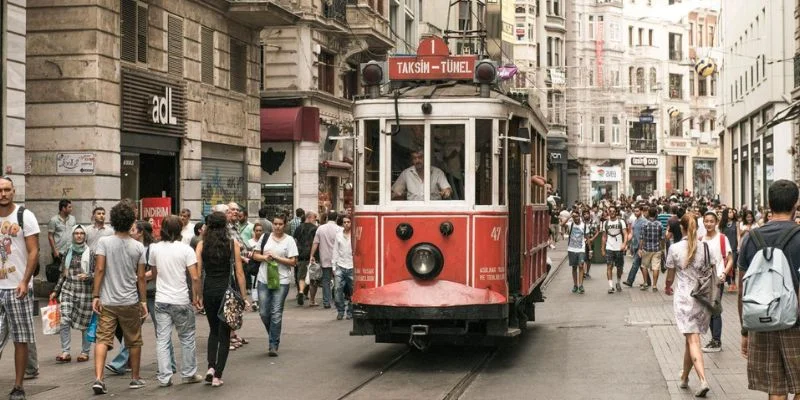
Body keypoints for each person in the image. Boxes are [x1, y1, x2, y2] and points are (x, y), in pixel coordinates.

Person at [738, 180, 800, 400]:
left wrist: (745, 330)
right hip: (797, 322)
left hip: (762, 320)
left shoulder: (750, 238)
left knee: (776, 389)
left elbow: (743, 288)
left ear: (769, 204)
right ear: (796, 203)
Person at [91, 201, 148, 395]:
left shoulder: (104, 242)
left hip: (108, 300)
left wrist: (96, 295)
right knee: (134, 340)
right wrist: (143, 301)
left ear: (113, 221)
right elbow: (141, 277)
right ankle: (135, 378)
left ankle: (99, 378)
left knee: (102, 339)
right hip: (130, 301)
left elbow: (99, 269)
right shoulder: (139, 247)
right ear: (131, 221)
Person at [666, 214, 717, 397]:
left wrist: (667, 285)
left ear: (682, 228)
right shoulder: (706, 247)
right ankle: (685, 377)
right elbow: (713, 270)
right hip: (702, 299)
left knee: (693, 339)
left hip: (684, 298)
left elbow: (670, 275)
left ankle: (703, 380)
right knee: (691, 338)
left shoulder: (675, 248)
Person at [195, 212, 249, 387]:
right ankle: (218, 375)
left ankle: (210, 367)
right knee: (224, 333)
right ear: (225, 226)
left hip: (209, 290)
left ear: (208, 226)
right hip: (227, 292)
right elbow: (239, 272)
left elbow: (198, 273)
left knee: (213, 330)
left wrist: (198, 295)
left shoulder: (201, 245)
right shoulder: (233, 244)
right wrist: (244, 296)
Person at [149, 215, 203, 387]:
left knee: (163, 339)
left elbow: (155, 273)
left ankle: (164, 377)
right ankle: (188, 373)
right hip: (180, 299)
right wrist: (196, 297)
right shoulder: (186, 250)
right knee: (187, 337)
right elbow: (194, 277)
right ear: (179, 230)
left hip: (161, 300)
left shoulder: (154, 248)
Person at [0, 176, 40, 400]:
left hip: (17, 287)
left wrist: (25, 281)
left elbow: (34, 251)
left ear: (13, 191)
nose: (3, 194)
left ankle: (18, 386)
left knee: (20, 339)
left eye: (7, 190)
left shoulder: (25, 216)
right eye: (0, 190)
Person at [253, 215, 298, 355]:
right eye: (275, 224)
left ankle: (273, 344)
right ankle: (273, 334)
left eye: (280, 224)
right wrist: (265, 257)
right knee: (264, 312)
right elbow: (255, 255)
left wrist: (277, 258)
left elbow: (293, 262)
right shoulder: (265, 237)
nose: (277, 226)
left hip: (282, 281)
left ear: (284, 225)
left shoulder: (289, 240)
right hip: (264, 279)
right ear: (272, 224)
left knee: (276, 312)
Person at [51, 225, 94, 364]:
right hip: (68, 289)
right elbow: (62, 274)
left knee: (85, 324)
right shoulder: (67, 252)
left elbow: (98, 273)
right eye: (76, 233)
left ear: (85, 236)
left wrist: (88, 276)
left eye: (82, 233)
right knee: (64, 320)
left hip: (85, 291)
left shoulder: (91, 253)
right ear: (73, 235)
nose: (79, 236)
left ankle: (84, 352)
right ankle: (65, 352)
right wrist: (55, 291)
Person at [700, 211, 732, 353]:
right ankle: (714, 339)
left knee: (715, 310)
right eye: (706, 221)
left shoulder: (722, 238)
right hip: (704, 280)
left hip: (718, 278)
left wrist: (725, 273)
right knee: (709, 309)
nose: (708, 224)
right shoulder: (701, 240)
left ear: (716, 222)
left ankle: (716, 341)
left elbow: (730, 259)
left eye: (711, 221)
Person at [310, 211, 342, 309]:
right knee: (338, 280)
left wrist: (311, 255)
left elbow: (315, 243)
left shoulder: (320, 228)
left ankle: (326, 302)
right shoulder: (340, 229)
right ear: (337, 218)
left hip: (325, 258)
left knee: (326, 281)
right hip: (338, 259)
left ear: (327, 217)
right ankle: (337, 300)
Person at [294, 212, 319, 306]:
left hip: (300, 254)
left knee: (301, 275)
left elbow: (295, 240)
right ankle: (308, 295)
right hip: (311, 254)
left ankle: (301, 291)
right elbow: (316, 243)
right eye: (314, 217)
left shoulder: (299, 228)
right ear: (309, 217)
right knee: (311, 276)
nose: (315, 219)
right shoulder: (315, 229)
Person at [601, 206, 627, 294]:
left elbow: (625, 233)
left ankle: (618, 282)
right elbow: (604, 236)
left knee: (619, 267)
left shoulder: (621, 222)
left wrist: (624, 244)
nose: (612, 212)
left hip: (619, 247)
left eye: (613, 211)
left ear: (616, 212)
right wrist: (603, 248)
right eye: (610, 211)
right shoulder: (605, 223)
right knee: (609, 266)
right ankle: (611, 286)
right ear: (608, 212)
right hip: (609, 247)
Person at [332, 214, 354, 318]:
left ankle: (350, 311)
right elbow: (335, 250)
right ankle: (340, 310)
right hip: (340, 265)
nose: (346, 224)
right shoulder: (338, 235)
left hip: (352, 266)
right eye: (344, 222)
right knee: (337, 289)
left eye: (348, 222)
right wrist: (333, 265)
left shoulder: (355, 234)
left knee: (353, 291)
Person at [639, 207, 664, 291]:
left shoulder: (644, 224)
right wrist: (662, 248)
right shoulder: (659, 224)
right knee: (655, 267)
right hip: (657, 249)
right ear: (656, 214)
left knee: (644, 266)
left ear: (649, 214)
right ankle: (654, 285)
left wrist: (640, 248)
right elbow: (662, 238)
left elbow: (642, 238)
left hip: (646, 249)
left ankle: (646, 283)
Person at [623, 206, 649, 288]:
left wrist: (641, 247)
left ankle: (630, 281)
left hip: (641, 246)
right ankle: (648, 281)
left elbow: (645, 235)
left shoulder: (645, 221)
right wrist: (628, 242)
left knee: (635, 264)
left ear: (641, 211)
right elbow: (632, 233)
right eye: (634, 211)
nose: (635, 212)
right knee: (641, 265)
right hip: (635, 245)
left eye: (637, 211)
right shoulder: (634, 221)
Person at [48, 199, 76, 267]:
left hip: (70, 250)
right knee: (58, 272)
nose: (71, 209)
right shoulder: (54, 220)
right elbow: (50, 236)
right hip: (59, 251)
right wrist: (54, 250)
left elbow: (74, 233)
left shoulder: (73, 219)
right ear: (63, 208)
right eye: (69, 207)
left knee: (69, 272)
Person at [565, 211, 587, 294]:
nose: (576, 218)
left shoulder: (583, 225)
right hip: (571, 249)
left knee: (581, 266)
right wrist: (569, 216)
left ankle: (581, 285)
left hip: (581, 249)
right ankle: (575, 285)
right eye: (574, 217)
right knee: (574, 267)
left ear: (579, 216)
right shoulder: (571, 224)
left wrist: (590, 250)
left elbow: (587, 237)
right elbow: (562, 224)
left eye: (577, 216)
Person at [719, 208, 740, 293]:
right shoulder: (722, 224)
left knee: (733, 265)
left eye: (732, 212)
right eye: (729, 212)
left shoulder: (736, 223)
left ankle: (733, 283)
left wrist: (739, 245)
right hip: (725, 248)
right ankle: (728, 281)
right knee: (726, 264)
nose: (731, 214)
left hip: (734, 247)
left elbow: (738, 235)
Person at [582, 210, 599, 279]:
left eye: (587, 214)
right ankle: (582, 272)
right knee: (582, 258)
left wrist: (592, 239)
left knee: (589, 258)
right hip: (582, 243)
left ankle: (587, 272)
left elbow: (597, 232)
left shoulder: (593, 222)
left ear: (589, 215)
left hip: (591, 243)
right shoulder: (581, 223)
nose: (586, 215)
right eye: (584, 214)